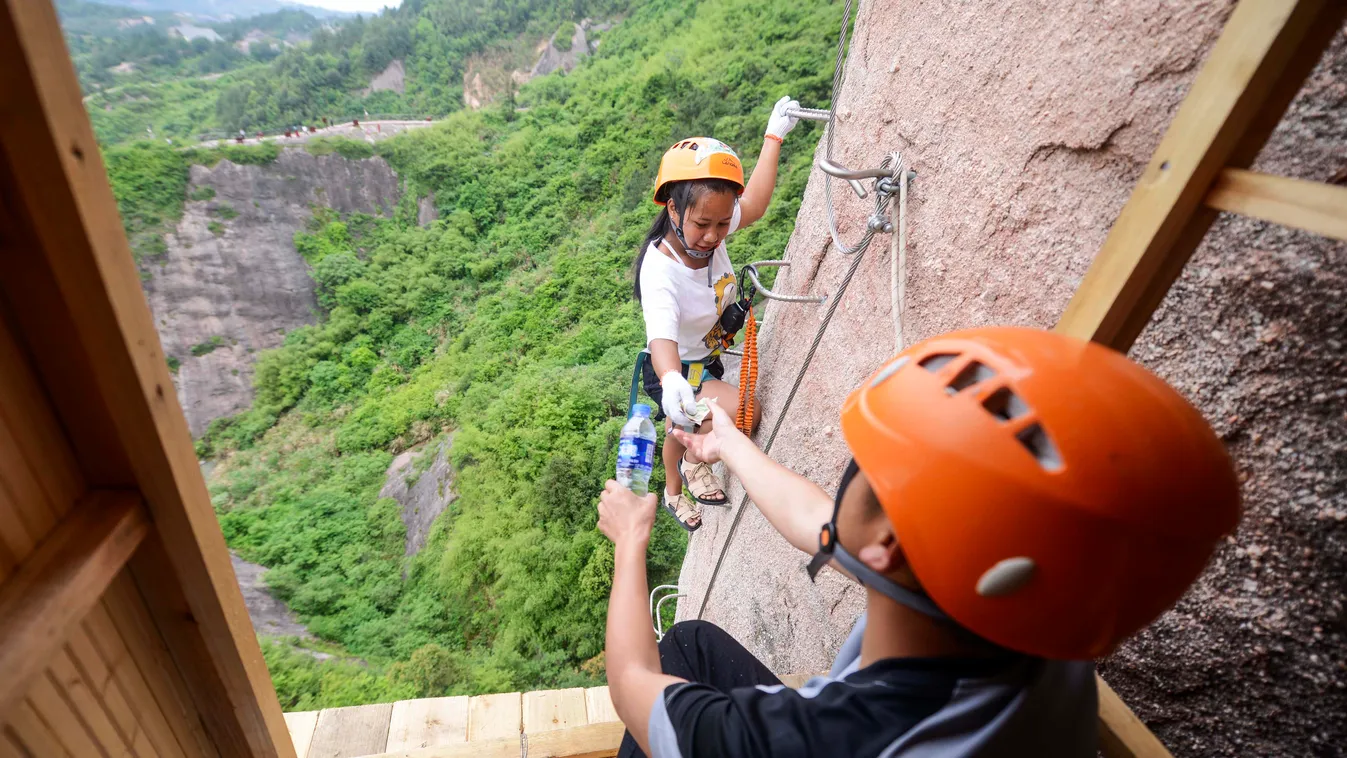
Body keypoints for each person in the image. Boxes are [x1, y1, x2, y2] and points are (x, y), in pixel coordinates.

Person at [596, 326, 1241, 757]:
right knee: (688, 644)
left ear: (887, 547)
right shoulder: (1038, 612)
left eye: (866, 469)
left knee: (662, 666)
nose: (846, 477)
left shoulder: (833, 738)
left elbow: (630, 683)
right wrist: (729, 445)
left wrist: (631, 540)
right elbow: (829, 521)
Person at [635, 96, 803, 532]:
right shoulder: (660, 271)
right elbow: (660, 337)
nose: (713, 236)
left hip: (704, 356)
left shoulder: (713, 221)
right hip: (676, 366)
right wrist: (672, 379)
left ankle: (690, 462)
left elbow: (760, 203)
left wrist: (773, 136)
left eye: (723, 224)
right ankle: (677, 486)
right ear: (672, 209)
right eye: (702, 224)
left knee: (690, 420)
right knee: (743, 414)